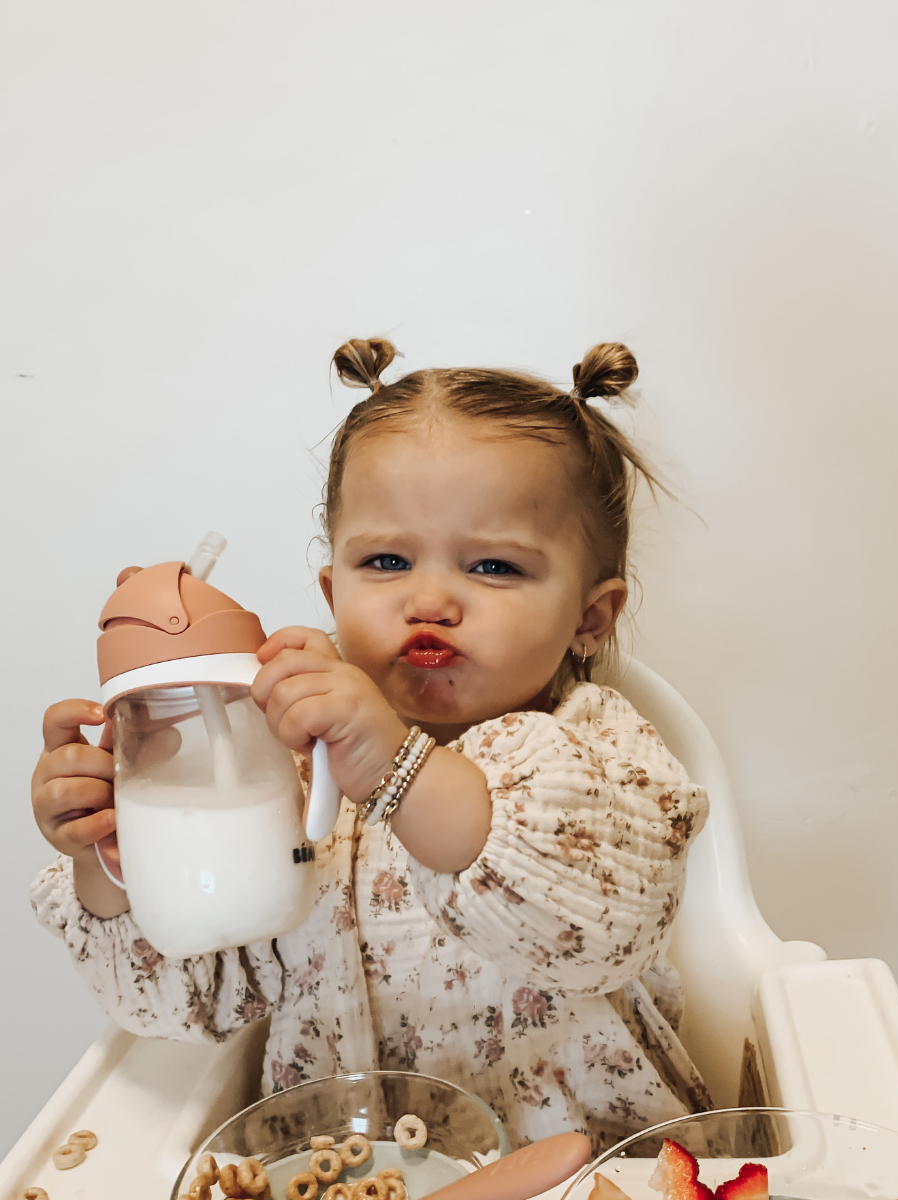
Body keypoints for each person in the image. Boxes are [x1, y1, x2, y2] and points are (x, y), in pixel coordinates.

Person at [29, 338, 711, 1149]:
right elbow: (186, 1005)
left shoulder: (602, 755)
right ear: (333, 589)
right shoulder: (274, 774)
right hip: (344, 1169)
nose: (429, 599)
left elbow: (601, 929)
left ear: (589, 619)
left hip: (583, 1165)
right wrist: (111, 857)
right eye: (385, 560)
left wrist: (397, 764)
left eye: (492, 566)